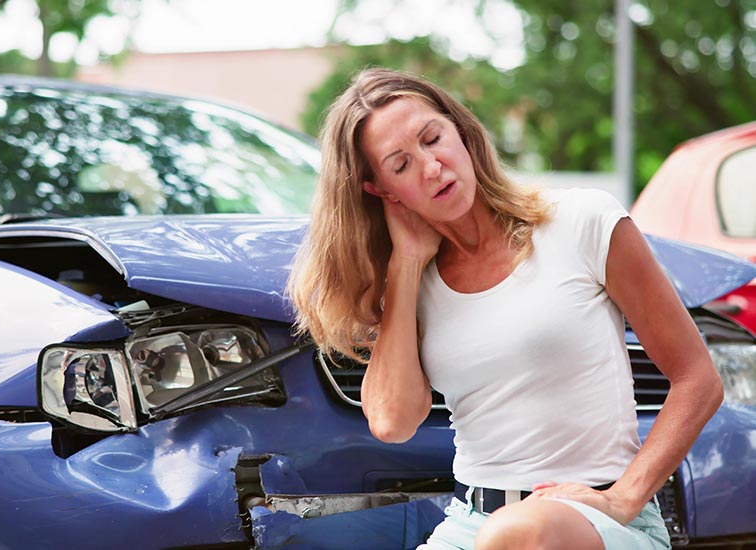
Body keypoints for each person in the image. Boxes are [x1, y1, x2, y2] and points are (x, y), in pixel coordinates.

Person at [287, 67, 723, 549]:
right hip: (471, 522)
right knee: (504, 534)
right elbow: (392, 421)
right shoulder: (412, 286)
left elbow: (698, 379)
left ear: (461, 130)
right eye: (401, 165)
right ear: (383, 191)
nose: (432, 167)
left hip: (600, 523)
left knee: (516, 534)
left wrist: (625, 498)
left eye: (433, 139)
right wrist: (407, 263)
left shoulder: (583, 222)